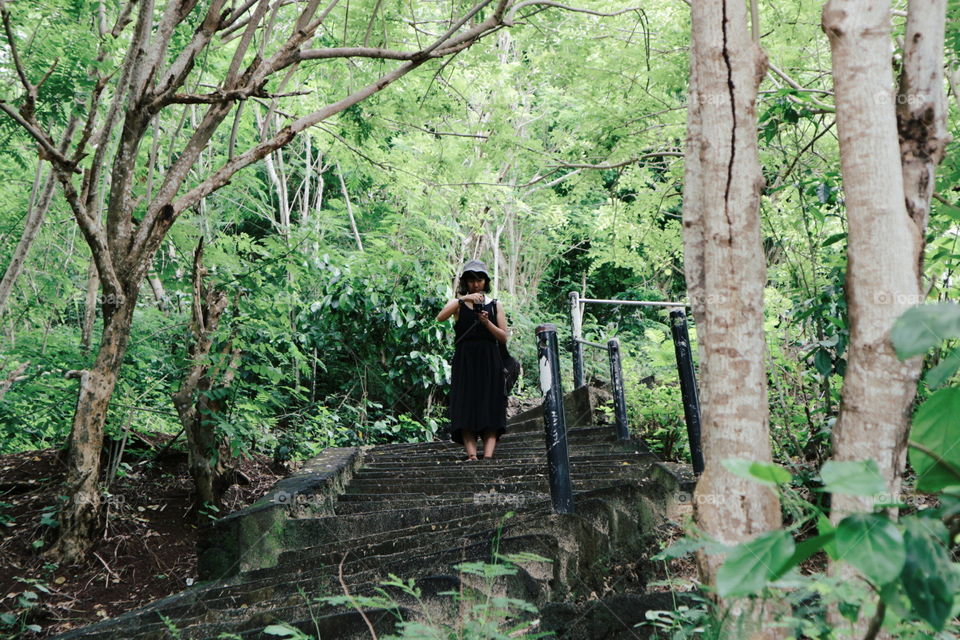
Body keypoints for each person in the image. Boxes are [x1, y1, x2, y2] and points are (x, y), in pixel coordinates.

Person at [436, 259, 508, 460]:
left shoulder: (495, 305)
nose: (476, 284)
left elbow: (503, 337)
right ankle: (471, 455)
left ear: (486, 282)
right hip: (465, 360)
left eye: (480, 280)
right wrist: (463, 299)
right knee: (465, 404)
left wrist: (487, 324)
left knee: (490, 404)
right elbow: (440, 317)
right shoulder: (457, 304)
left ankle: (488, 456)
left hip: (489, 359)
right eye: (471, 280)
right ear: (465, 282)